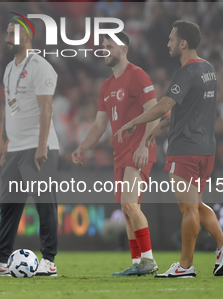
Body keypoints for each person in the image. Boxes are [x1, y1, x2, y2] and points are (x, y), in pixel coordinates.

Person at [116, 20, 223, 278]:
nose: (168, 43)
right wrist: (157, 129)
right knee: (196, 204)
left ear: (183, 43)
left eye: (171, 39)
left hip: (185, 149)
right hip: (207, 149)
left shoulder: (186, 72)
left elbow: (163, 106)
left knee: (188, 209)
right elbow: (188, 111)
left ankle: (185, 266)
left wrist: (133, 122)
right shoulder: (209, 70)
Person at [0, 20, 59, 277]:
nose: (8, 37)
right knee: (9, 207)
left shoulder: (41, 67)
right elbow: (10, 108)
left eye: (13, 33)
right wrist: (3, 142)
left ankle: (50, 261)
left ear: (28, 37)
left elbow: (47, 108)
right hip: (15, 148)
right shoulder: (9, 68)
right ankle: (0, 262)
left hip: (38, 146)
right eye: (8, 33)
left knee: (45, 204)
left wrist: (42, 145)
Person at [71, 31, 160, 277]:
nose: (105, 50)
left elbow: (154, 112)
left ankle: (148, 260)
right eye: (103, 46)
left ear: (124, 49)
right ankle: (137, 261)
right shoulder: (107, 85)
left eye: (110, 46)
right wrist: (83, 147)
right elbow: (100, 124)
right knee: (127, 207)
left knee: (130, 204)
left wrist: (144, 144)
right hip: (120, 153)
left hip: (139, 149)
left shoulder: (138, 75)